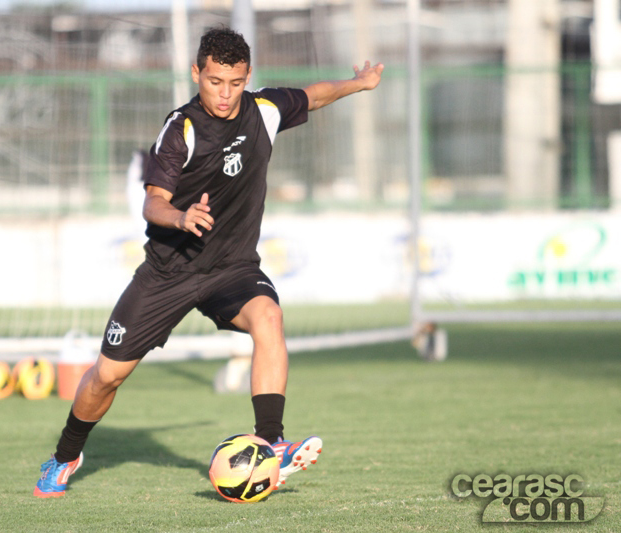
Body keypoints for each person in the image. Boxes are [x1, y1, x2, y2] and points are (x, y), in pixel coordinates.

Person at [34, 26, 384, 498]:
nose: (225, 93)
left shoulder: (264, 110)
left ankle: (271, 441)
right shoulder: (182, 128)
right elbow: (152, 202)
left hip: (231, 269)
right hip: (168, 272)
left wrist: (357, 85)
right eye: (215, 81)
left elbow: (314, 96)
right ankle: (64, 456)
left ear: (248, 77)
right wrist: (180, 217)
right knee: (106, 377)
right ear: (196, 72)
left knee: (269, 317)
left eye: (235, 82)